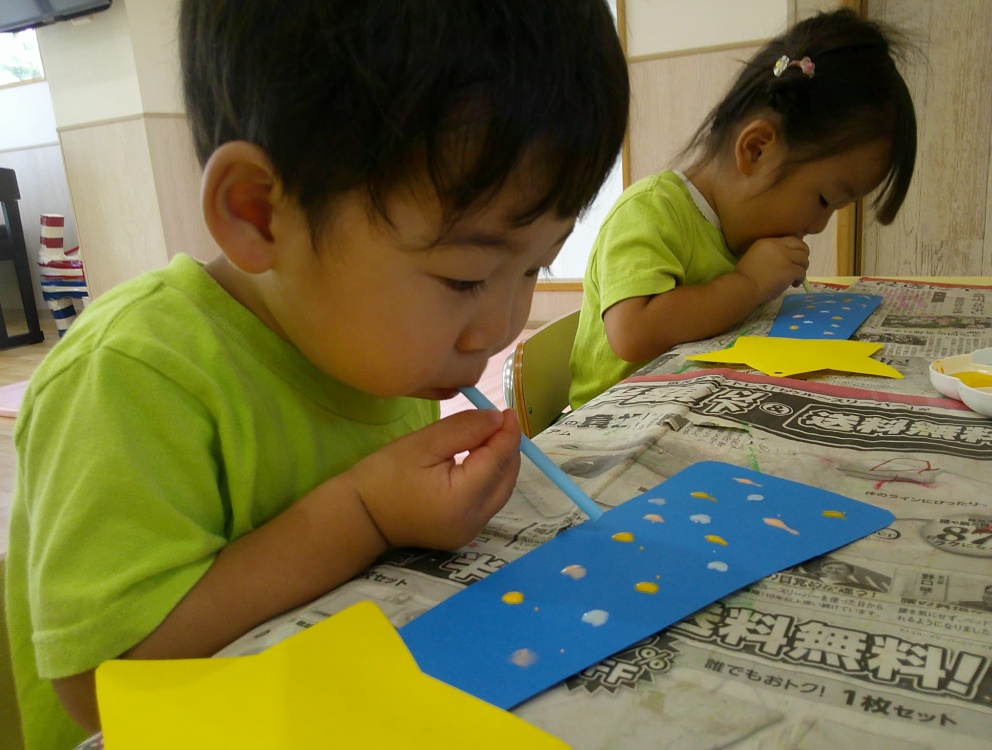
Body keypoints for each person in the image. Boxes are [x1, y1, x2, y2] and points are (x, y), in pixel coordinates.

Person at [5, 3, 629, 748]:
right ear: (258, 213)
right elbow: (96, 684)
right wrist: (366, 514)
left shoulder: (379, 351)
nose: (498, 327)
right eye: (465, 277)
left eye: (534, 268)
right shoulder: (132, 376)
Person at [569, 8, 917, 408]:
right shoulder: (651, 211)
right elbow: (632, 333)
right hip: (619, 418)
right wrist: (749, 284)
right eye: (824, 200)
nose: (820, 225)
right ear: (756, 150)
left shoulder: (747, 234)